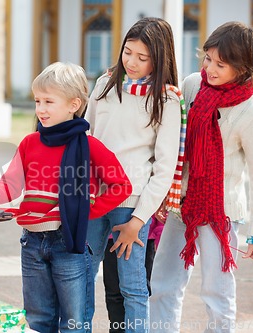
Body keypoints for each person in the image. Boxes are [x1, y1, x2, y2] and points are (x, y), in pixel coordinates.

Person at [0, 62, 132, 333]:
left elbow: (121, 185)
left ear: (73, 104)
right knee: (37, 319)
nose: (40, 109)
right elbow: (12, 181)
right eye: (37, 101)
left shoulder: (90, 146)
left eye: (48, 101)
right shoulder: (29, 143)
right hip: (32, 242)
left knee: (73, 321)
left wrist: (88, 210)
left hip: (69, 244)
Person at [150, 21, 253, 333]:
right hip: (181, 204)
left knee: (216, 292)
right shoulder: (192, 85)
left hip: (221, 214)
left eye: (221, 64)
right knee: (163, 282)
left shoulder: (251, 110)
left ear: (243, 68)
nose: (211, 69)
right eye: (207, 59)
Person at [85, 17, 185, 332]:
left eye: (142, 58)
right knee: (81, 276)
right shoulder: (104, 85)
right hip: (93, 199)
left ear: (159, 58)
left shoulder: (166, 99)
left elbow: (164, 168)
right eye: (128, 53)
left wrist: (138, 221)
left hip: (130, 205)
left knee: (132, 286)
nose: (132, 62)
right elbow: (85, 137)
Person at [102, 214, 164, 333]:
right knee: (114, 294)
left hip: (143, 237)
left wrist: (159, 232)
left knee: (139, 293)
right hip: (112, 235)